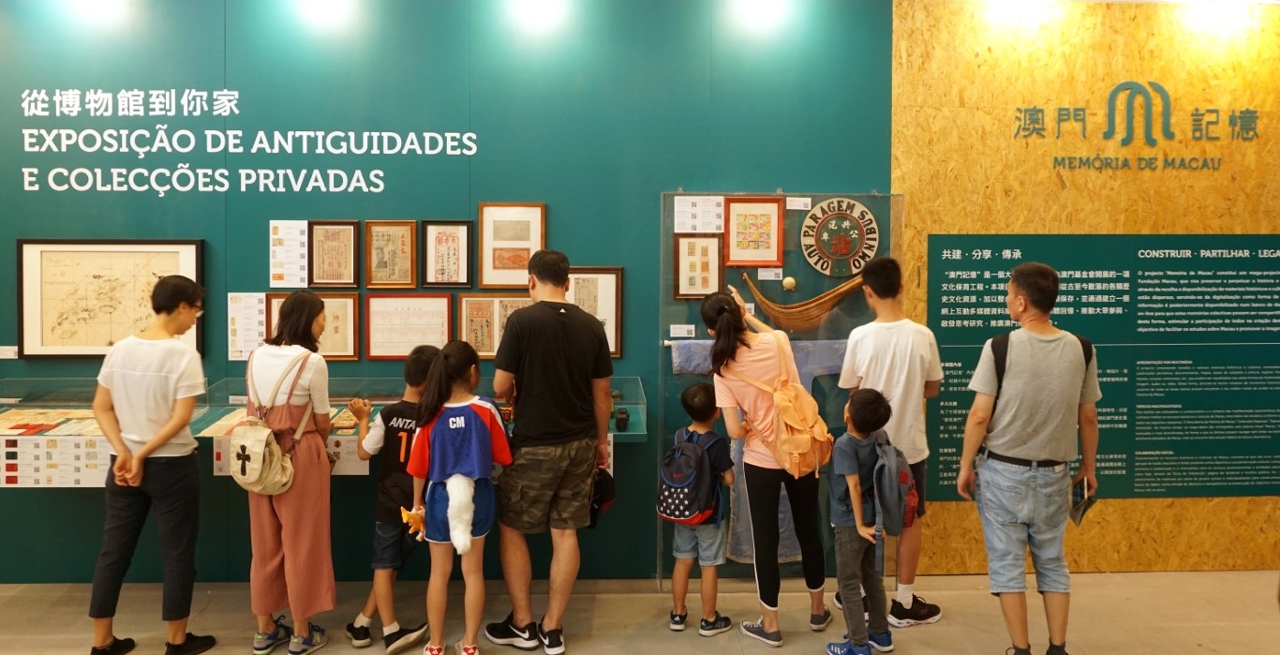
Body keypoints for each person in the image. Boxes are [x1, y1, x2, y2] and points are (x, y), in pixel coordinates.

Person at [956, 262, 1101, 655]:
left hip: (1003, 472)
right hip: (1056, 475)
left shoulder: (999, 347)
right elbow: (1088, 416)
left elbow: (979, 415)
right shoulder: (1082, 348)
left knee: (1007, 565)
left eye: (1008, 294)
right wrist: (1088, 467)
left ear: (1021, 302)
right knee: (1052, 563)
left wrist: (966, 465)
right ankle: (1058, 648)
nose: (1007, 301)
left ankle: (1021, 650)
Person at [485, 249, 612, 655]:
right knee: (566, 531)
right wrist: (602, 443)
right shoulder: (592, 325)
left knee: (512, 527)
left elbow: (499, 387)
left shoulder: (521, 321)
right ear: (568, 282)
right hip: (581, 444)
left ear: (531, 280)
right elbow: (602, 394)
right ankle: (553, 628)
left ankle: (523, 624)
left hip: (535, 444)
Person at [89, 275, 215, 655]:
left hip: (122, 465)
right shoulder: (183, 356)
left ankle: (102, 641)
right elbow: (180, 418)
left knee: (113, 552)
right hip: (172, 465)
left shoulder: (120, 350)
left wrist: (125, 451)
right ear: (181, 306)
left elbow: (101, 407)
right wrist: (142, 454)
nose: (195, 318)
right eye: (196, 310)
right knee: (177, 552)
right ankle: (177, 640)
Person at [701, 287, 830, 648]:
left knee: (766, 540)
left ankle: (770, 625)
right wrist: (749, 316)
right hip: (801, 450)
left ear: (711, 331)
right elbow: (774, 334)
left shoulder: (722, 371)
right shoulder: (776, 343)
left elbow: (733, 431)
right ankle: (818, 611)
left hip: (761, 458)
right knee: (809, 530)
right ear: (740, 314)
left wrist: (752, 425)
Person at [836, 256, 944, 627]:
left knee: (865, 518)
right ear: (901, 287)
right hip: (909, 447)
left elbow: (853, 393)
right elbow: (932, 389)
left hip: (867, 445)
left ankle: (862, 595)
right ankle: (903, 602)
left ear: (867, 291)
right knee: (910, 523)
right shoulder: (923, 335)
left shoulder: (859, 336)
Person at [408, 340, 514, 655]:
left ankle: (435, 645)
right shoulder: (486, 409)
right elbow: (504, 456)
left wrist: (417, 504)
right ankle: (470, 645)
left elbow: (418, 467)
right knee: (473, 572)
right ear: (472, 371)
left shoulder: (429, 411)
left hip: (440, 497)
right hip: (478, 495)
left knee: (438, 574)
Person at [246, 290, 337, 655]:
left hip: (260, 456)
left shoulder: (255, 355)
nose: (325, 323)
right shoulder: (312, 362)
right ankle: (301, 633)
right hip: (299, 457)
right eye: (322, 316)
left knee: (264, 544)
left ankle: (265, 629)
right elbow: (323, 422)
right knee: (303, 543)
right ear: (309, 319)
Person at [344, 345, 440, 654]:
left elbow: (364, 452)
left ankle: (363, 623)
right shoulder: (432, 417)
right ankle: (390, 631)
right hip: (419, 506)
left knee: (386, 565)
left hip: (389, 502)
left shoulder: (388, 414)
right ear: (431, 381)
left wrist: (362, 419)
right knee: (390, 565)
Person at [825, 390, 895, 655]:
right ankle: (880, 633)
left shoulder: (845, 444)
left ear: (848, 416)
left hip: (850, 522)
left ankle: (857, 645)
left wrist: (858, 525)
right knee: (873, 579)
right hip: (875, 516)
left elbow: (853, 485)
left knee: (849, 585)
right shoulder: (880, 436)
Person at [667, 383, 735, 638]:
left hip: (682, 510)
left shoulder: (679, 436)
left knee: (682, 560)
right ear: (717, 411)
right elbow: (729, 479)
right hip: (709, 514)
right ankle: (709, 619)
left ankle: (678, 614)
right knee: (708, 566)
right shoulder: (717, 443)